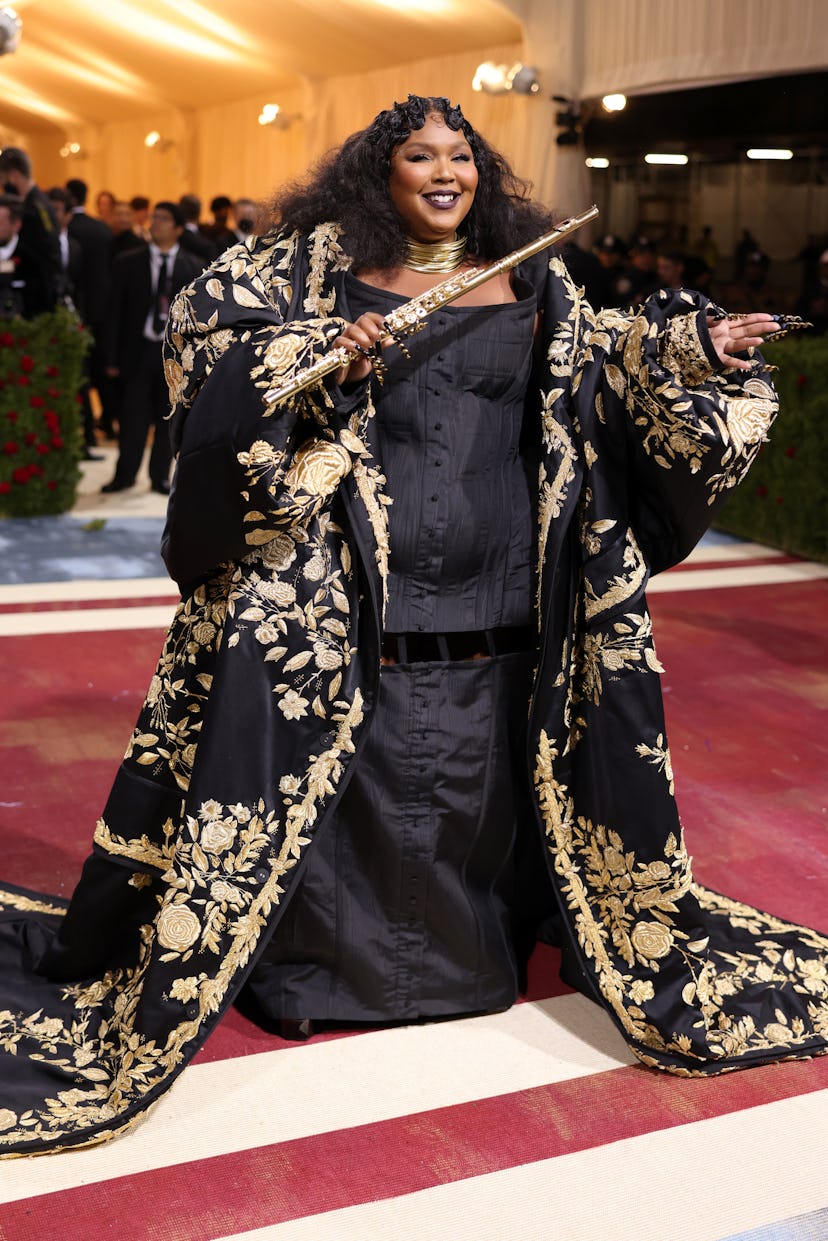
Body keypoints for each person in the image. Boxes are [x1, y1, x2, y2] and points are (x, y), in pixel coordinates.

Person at [0, 95, 825, 1159]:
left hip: (500, 606)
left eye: (461, 155)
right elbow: (205, 347)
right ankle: (312, 975)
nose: (446, 171)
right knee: (330, 795)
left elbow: (614, 370)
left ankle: (467, 961)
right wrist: (311, 351)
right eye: (419, 155)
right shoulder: (304, 268)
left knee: (478, 789)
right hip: (341, 614)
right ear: (374, 173)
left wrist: (701, 349)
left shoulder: (538, 274)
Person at [101, 200, 201, 494]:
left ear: (178, 228)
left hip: (173, 354)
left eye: (163, 218)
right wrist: (110, 356)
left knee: (167, 418)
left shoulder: (193, 266)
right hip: (138, 350)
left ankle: (160, 476)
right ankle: (125, 475)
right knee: (132, 417)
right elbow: (114, 312)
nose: (155, 222)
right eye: (153, 217)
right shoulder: (128, 261)